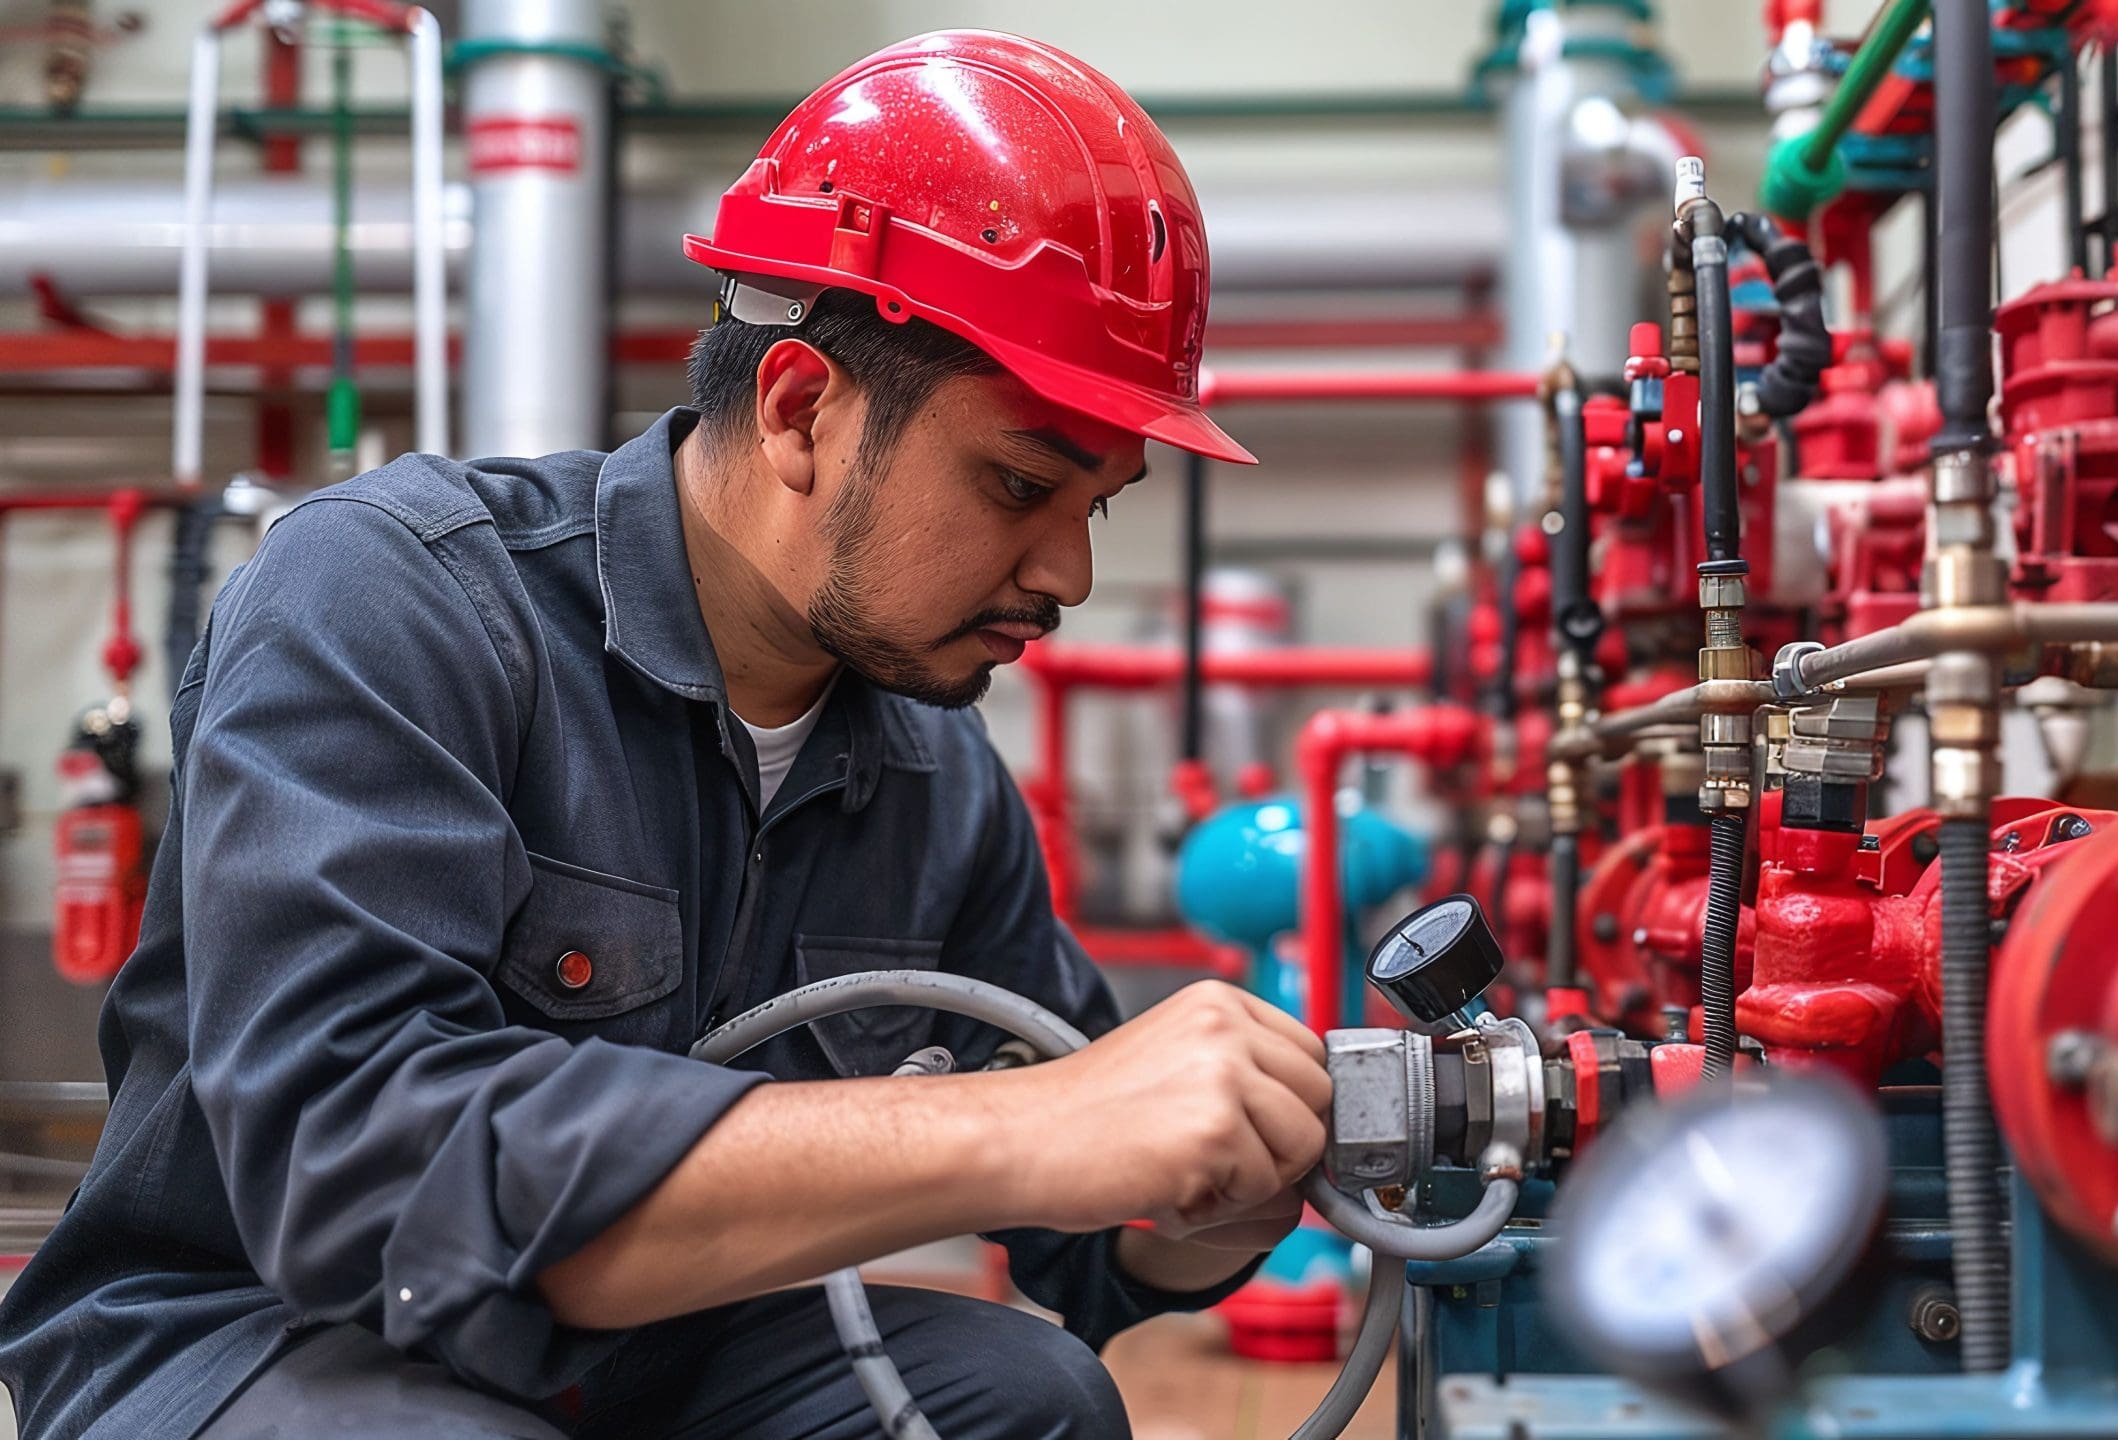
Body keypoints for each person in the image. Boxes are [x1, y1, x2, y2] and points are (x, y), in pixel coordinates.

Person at [0, 31, 1322, 1440]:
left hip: (653, 1356)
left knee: (1028, 1398)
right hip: (260, 1336)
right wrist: (1017, 1131)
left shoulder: (937, 780)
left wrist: (1229, 1175)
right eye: (1017, 485)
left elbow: (1093, 1245)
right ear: (802, 408)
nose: (1070, 575)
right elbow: (364, 1175)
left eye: (1097, 507)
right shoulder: (394, 600)